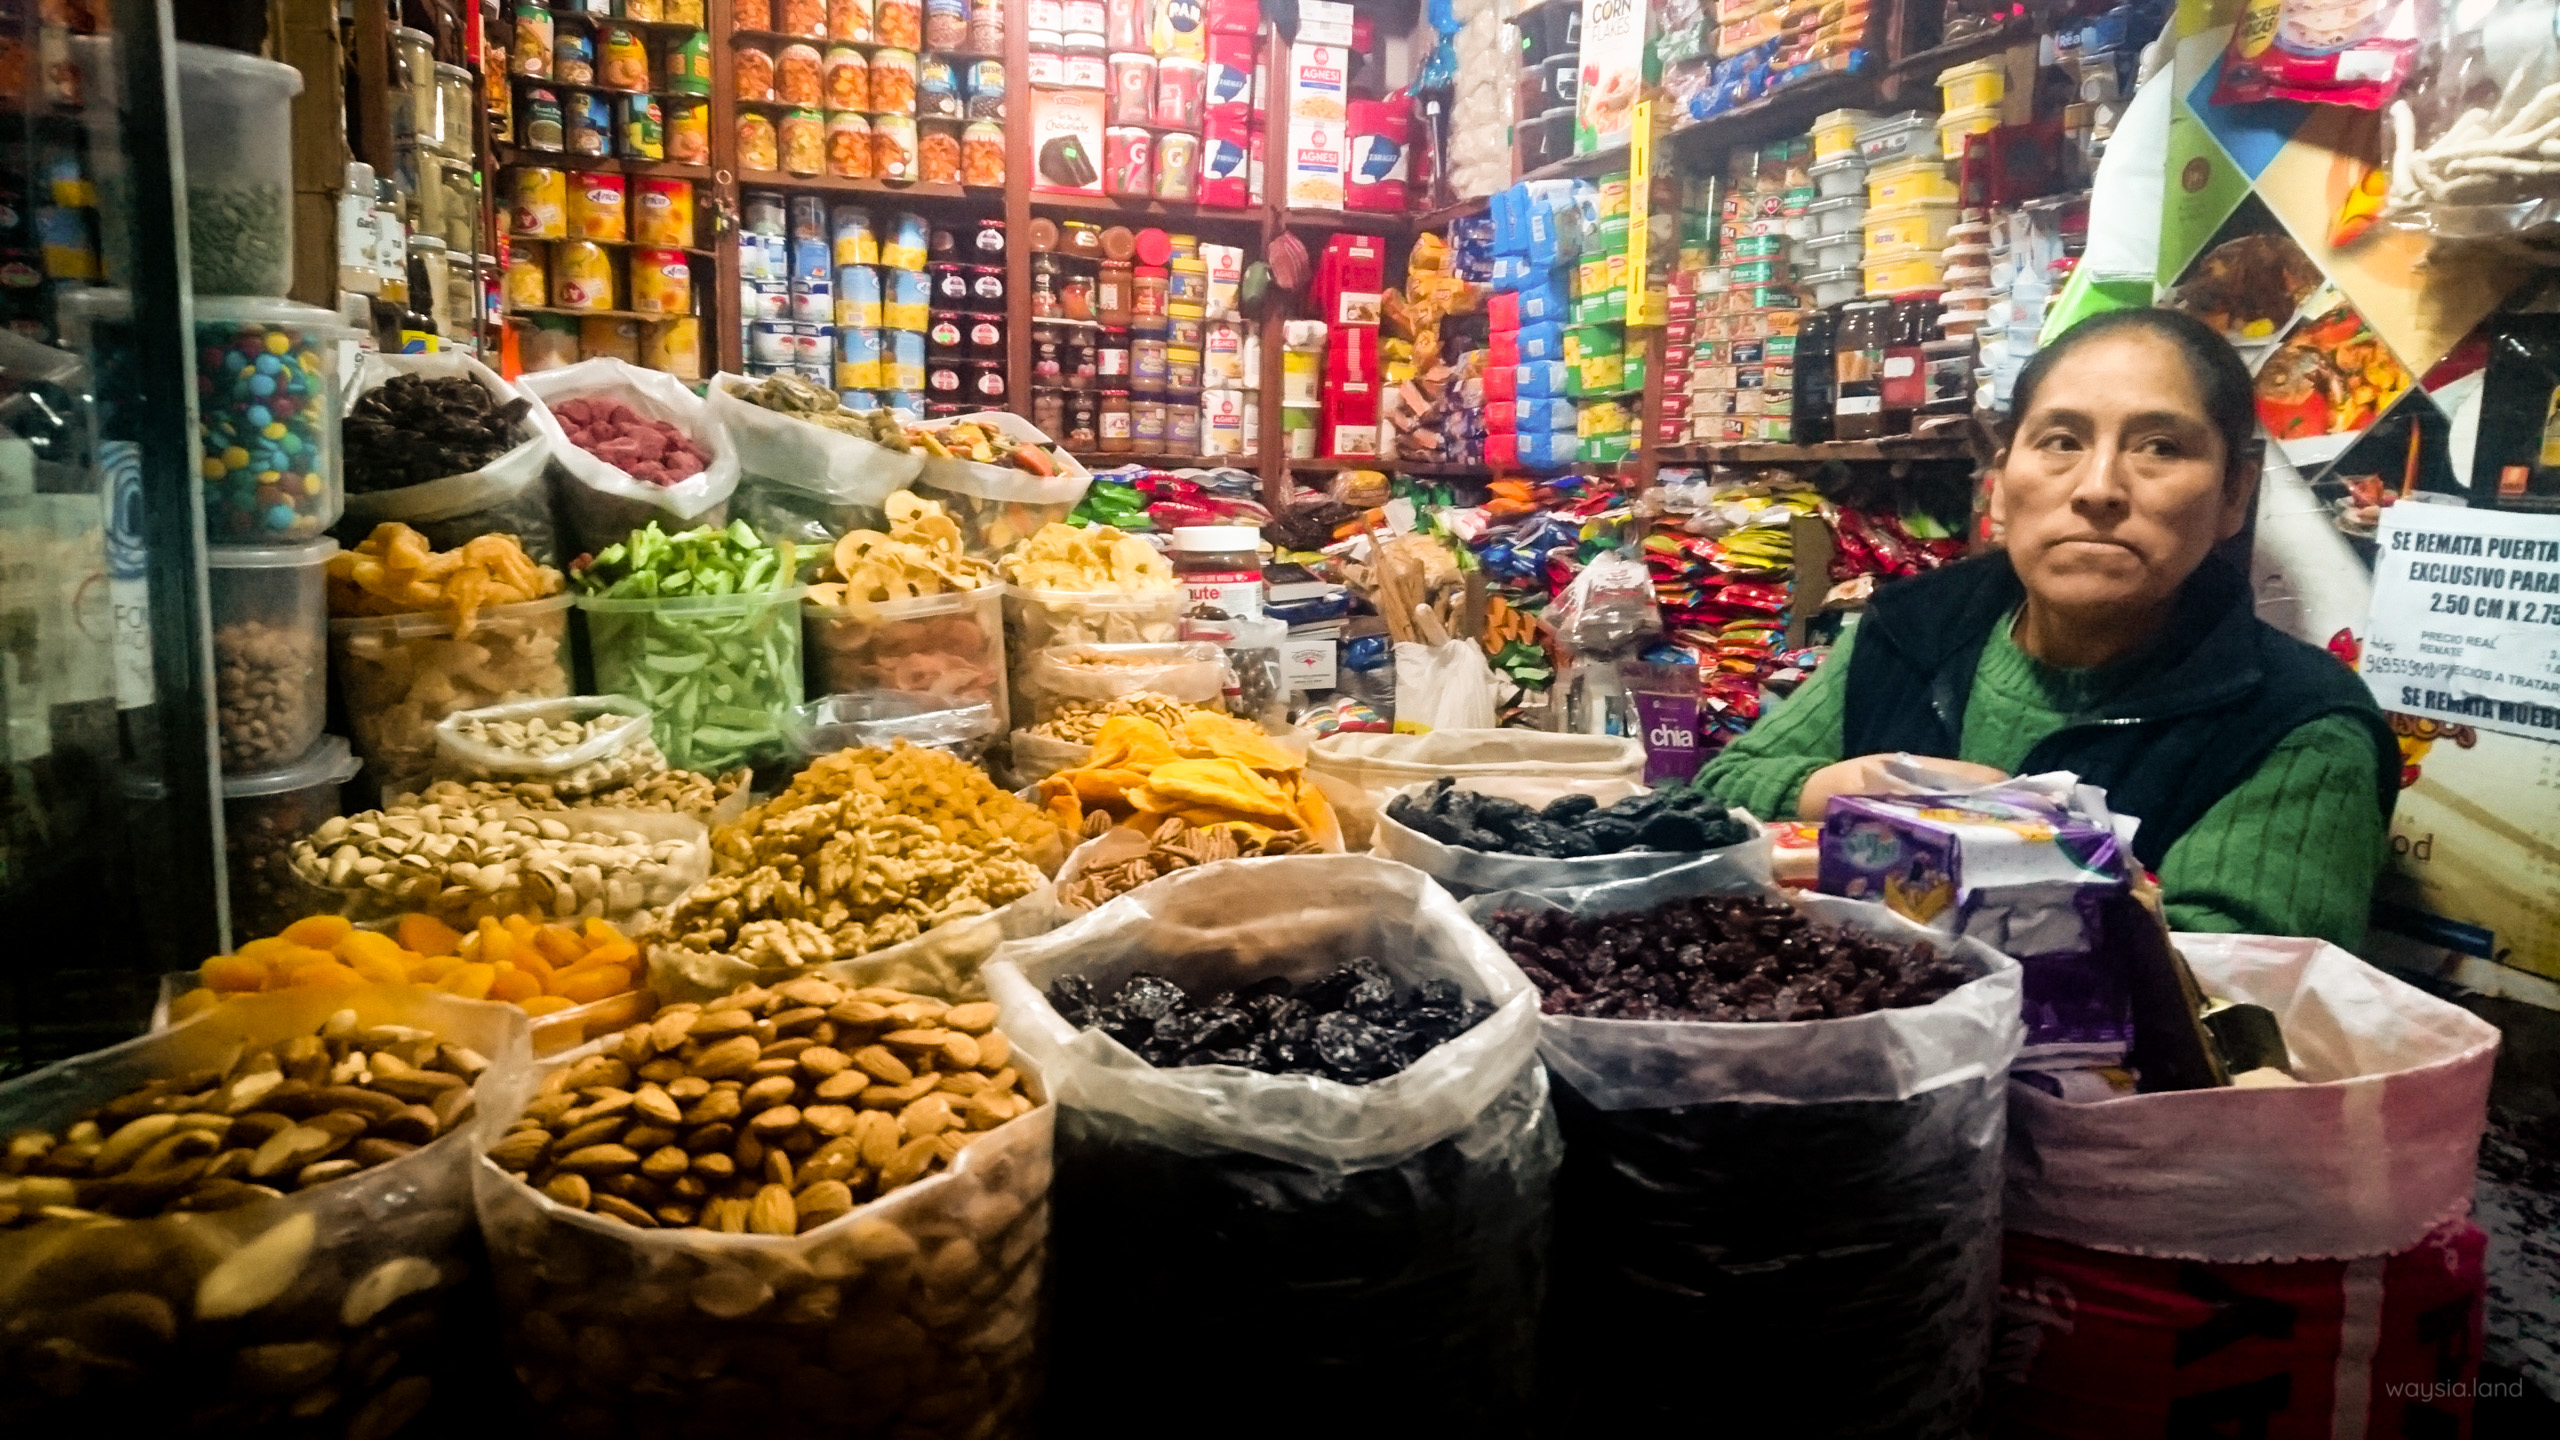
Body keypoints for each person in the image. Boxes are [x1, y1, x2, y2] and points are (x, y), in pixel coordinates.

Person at [1699, 307, 2396, 948]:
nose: (2098, 488)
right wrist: (1852, 790)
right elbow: (1714, 794)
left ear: (2233, 494)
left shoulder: (2297, 727)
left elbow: (2223, 997)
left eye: (2159, 447)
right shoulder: (1916, 629)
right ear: (2000, 482)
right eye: (2061, 441)